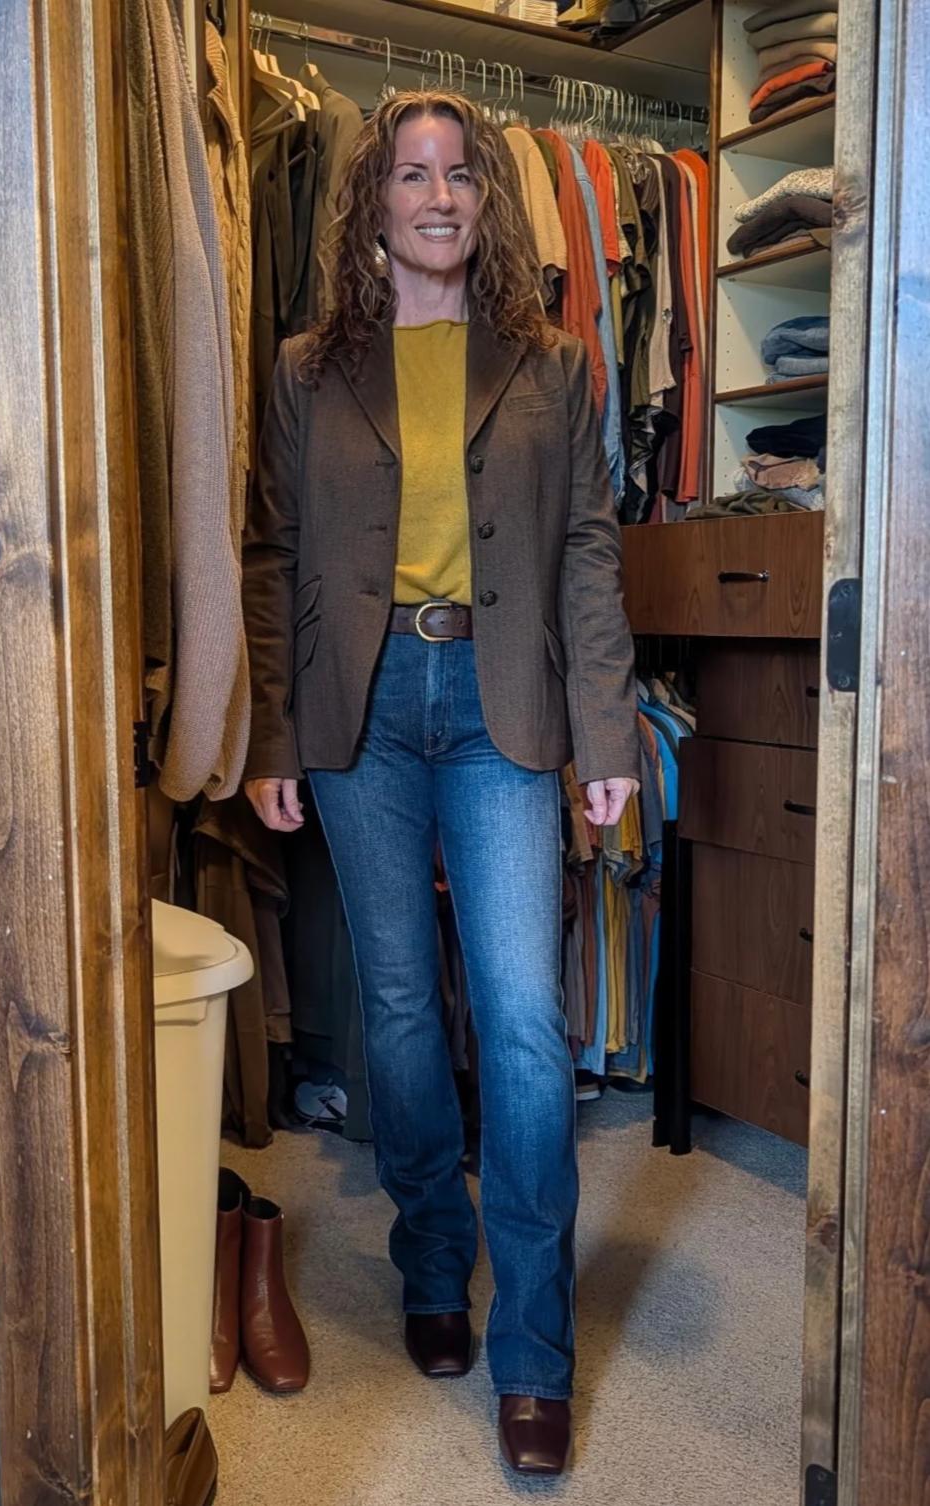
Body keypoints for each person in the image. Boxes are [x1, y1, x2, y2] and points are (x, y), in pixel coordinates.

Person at [243, 89, 639, 1477]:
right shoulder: (305, 370)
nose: (438, 193)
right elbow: (276, 560)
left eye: (460, 173)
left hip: (500, 704)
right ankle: (430, 1261)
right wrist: (276, 735)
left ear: (489, 199)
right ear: (373, 202)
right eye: (411, 173)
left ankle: (533, 1347)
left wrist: (610, 737)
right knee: (399, 1008)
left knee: (525, 1020)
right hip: (362, 715)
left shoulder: (556, 362)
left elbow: (588, 547)